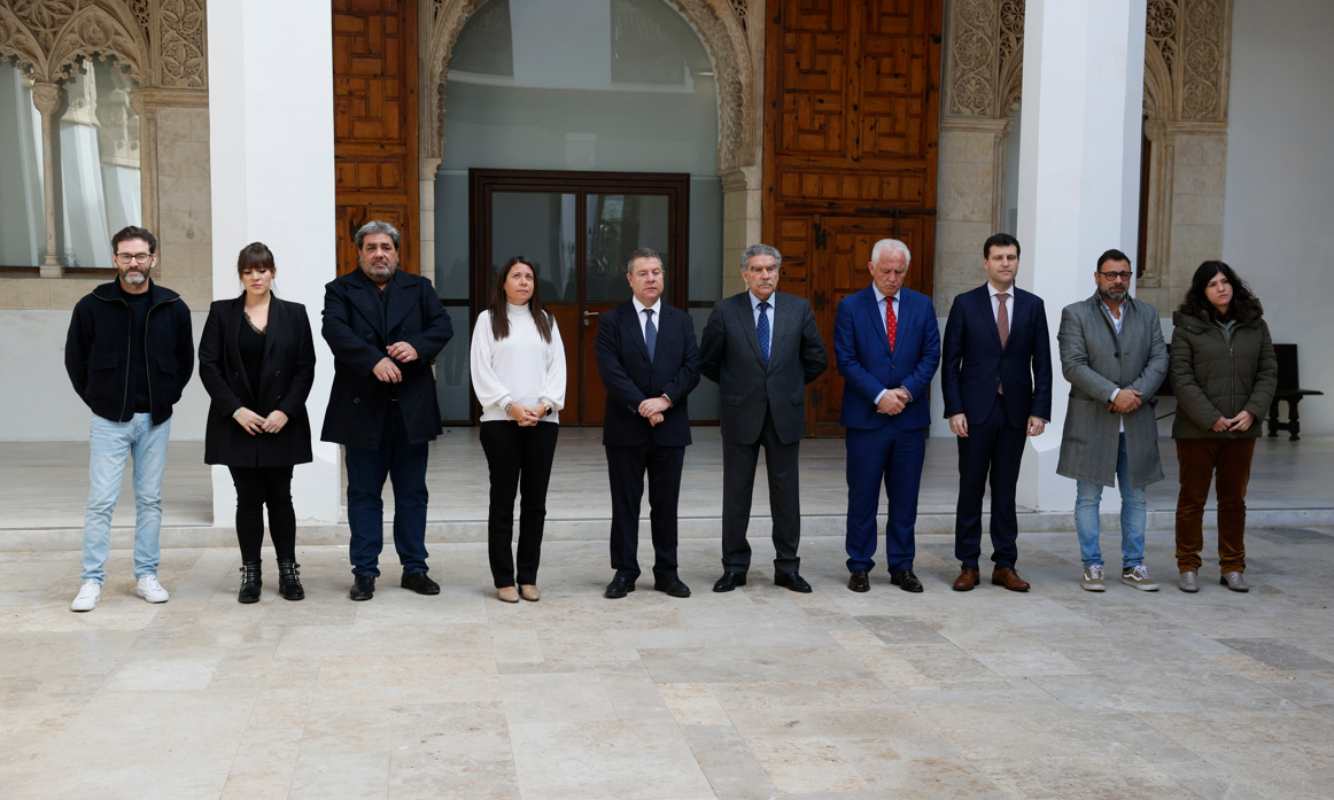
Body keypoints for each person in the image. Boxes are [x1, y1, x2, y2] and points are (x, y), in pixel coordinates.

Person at [321, 220, 453, 601]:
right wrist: (373, 361)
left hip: (411, 408)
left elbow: (442, 327)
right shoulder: (340, 290)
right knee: (363, 494)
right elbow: (336, 333)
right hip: (362, 408)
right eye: (371, 247)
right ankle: (364, 571)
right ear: (359, 253)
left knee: (413, 494)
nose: (380, 253)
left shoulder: (420, 288)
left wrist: (417, 347)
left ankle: (415, 569)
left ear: (397, 252)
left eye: (386, 247)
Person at [64, 225, 194, 612]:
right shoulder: (92, 305)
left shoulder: (173, 306)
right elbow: (75, 360)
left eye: (140, 255)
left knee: (150, 500)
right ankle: (91, 581)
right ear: (115, 259)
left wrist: (167, 397)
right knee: (101, 501)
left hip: (155, 420)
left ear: (153, 258)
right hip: (110, 420)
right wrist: (97, 400)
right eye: (126, 255)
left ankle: (146, 575)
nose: (133, 263)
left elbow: (184, 361)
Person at [700, 244, 827, 594]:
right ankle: (734, 567)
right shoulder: (726, 311)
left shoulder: (797, 309)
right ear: (744, 274)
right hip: (741, 414)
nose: (765, 275)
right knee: (736, 494)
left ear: (779, 272)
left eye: (771, 268)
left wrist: (786, 386)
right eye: (757, 269)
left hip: (784, 415)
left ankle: (788, 566)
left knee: (786, 495)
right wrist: (738, 387)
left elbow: (816, 358)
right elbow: (708, 361)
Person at [199, 242, 316, 603]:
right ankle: (250, 572)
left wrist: (286, 412)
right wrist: (235, 409)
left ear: (273, 272)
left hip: (281, 422)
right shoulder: (222, 313)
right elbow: (208, 365)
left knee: (281, 497)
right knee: (247, 498)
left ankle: (288, 570)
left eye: (262, 269)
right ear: (241, 275)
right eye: (249, 271)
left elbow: (305, 367)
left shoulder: (295, 314)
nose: (256, 276)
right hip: (238, 422)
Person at [942, 232, 1052, 593]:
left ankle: (1005, 564)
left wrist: (1040, 410)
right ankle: (968, 564)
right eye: (999, 257)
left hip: (1015, 413)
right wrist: (954, 408)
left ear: (1018, 261)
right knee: (971, 488)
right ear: (986, 262)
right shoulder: (965, 304)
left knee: (1006, 491)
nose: (1006, 263)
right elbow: (950, 363)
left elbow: (1044, 363)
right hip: (974, 413)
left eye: (1012, 257)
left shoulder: (1033, 306)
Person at [1056, 249, 1168, 593]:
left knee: (1136, 498)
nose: (1117, 280)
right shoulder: (1075, 314)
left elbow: (1160, 358)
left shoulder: (1147, 314)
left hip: (1136, 421)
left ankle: (1134, 565)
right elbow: (1073, 364)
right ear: (1097, 277)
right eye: (1110, 274)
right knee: (1088, 497)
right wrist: (1112, 394)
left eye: (1123, 274)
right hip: (1092, 421)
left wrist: (1134, 393)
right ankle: (1092, 564)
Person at [834, 239, 940, 593]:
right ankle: (860, 564)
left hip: (909, 420)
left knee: (905, 496)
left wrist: (906, 393)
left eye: (899, 272)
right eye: (886, 271)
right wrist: (880, 395)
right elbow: (846, 359)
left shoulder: (922, 306)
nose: (893, 278)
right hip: (867, 418)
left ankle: (902, 565)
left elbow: (930, 356)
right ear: (871, 268)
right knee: (862, 495)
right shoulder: (851, 307)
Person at [596, 247, 700, 600]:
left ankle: (667, 572)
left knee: (666, 503)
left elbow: (691, 367)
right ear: (630, 279)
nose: (651, 278)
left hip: (670, 427)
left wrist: (665, 400)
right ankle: (625, 571)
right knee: (625, 502)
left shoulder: (680, 320)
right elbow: (610, 371)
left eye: (656, 272)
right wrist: (642, 404)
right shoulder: (612, 321)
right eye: (643, 273)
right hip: (626, 427)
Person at [1169, 260, 1277, 593]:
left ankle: (1233, 565)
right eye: (1213, 283)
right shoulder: (1187, 327)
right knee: (1192, 499)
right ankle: (1188, 564)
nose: (1221, 287)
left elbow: (1268, 372)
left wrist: (1252, 412)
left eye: (1225, 281)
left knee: (1234, 500)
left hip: (1241, 430)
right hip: (1197, 430)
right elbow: (1181, 377)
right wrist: (1210, 417)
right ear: (1202, 291)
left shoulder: (1255, 325)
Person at [470, 257, 566, 603]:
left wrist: (543, 405)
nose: (524, 282)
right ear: (504, 282)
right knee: (503, 500)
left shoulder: (546, 321)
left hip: (543, 422)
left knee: (535, 503)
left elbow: (558, 369)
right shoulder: (488, 320)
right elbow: (481, 370)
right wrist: (509, 405)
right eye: (517, 276)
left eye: (529, 276)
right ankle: (504, 578)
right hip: (501, 423)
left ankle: (529, 576)